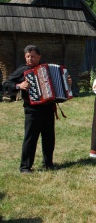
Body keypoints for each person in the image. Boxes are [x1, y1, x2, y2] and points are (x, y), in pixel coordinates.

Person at [3, 45, 71, 173]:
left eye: (33, 56)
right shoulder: (22, 70)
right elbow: (6, 84)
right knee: (30, 138)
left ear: (39, 56)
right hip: (32, 110)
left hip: (48, 108)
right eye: (28, 56)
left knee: (49, 138)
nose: (30, 59)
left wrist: (67, 83)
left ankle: (48, 163)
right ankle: (25, 167)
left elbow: (61, 85)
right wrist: (19, 85)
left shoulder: (47, 69)